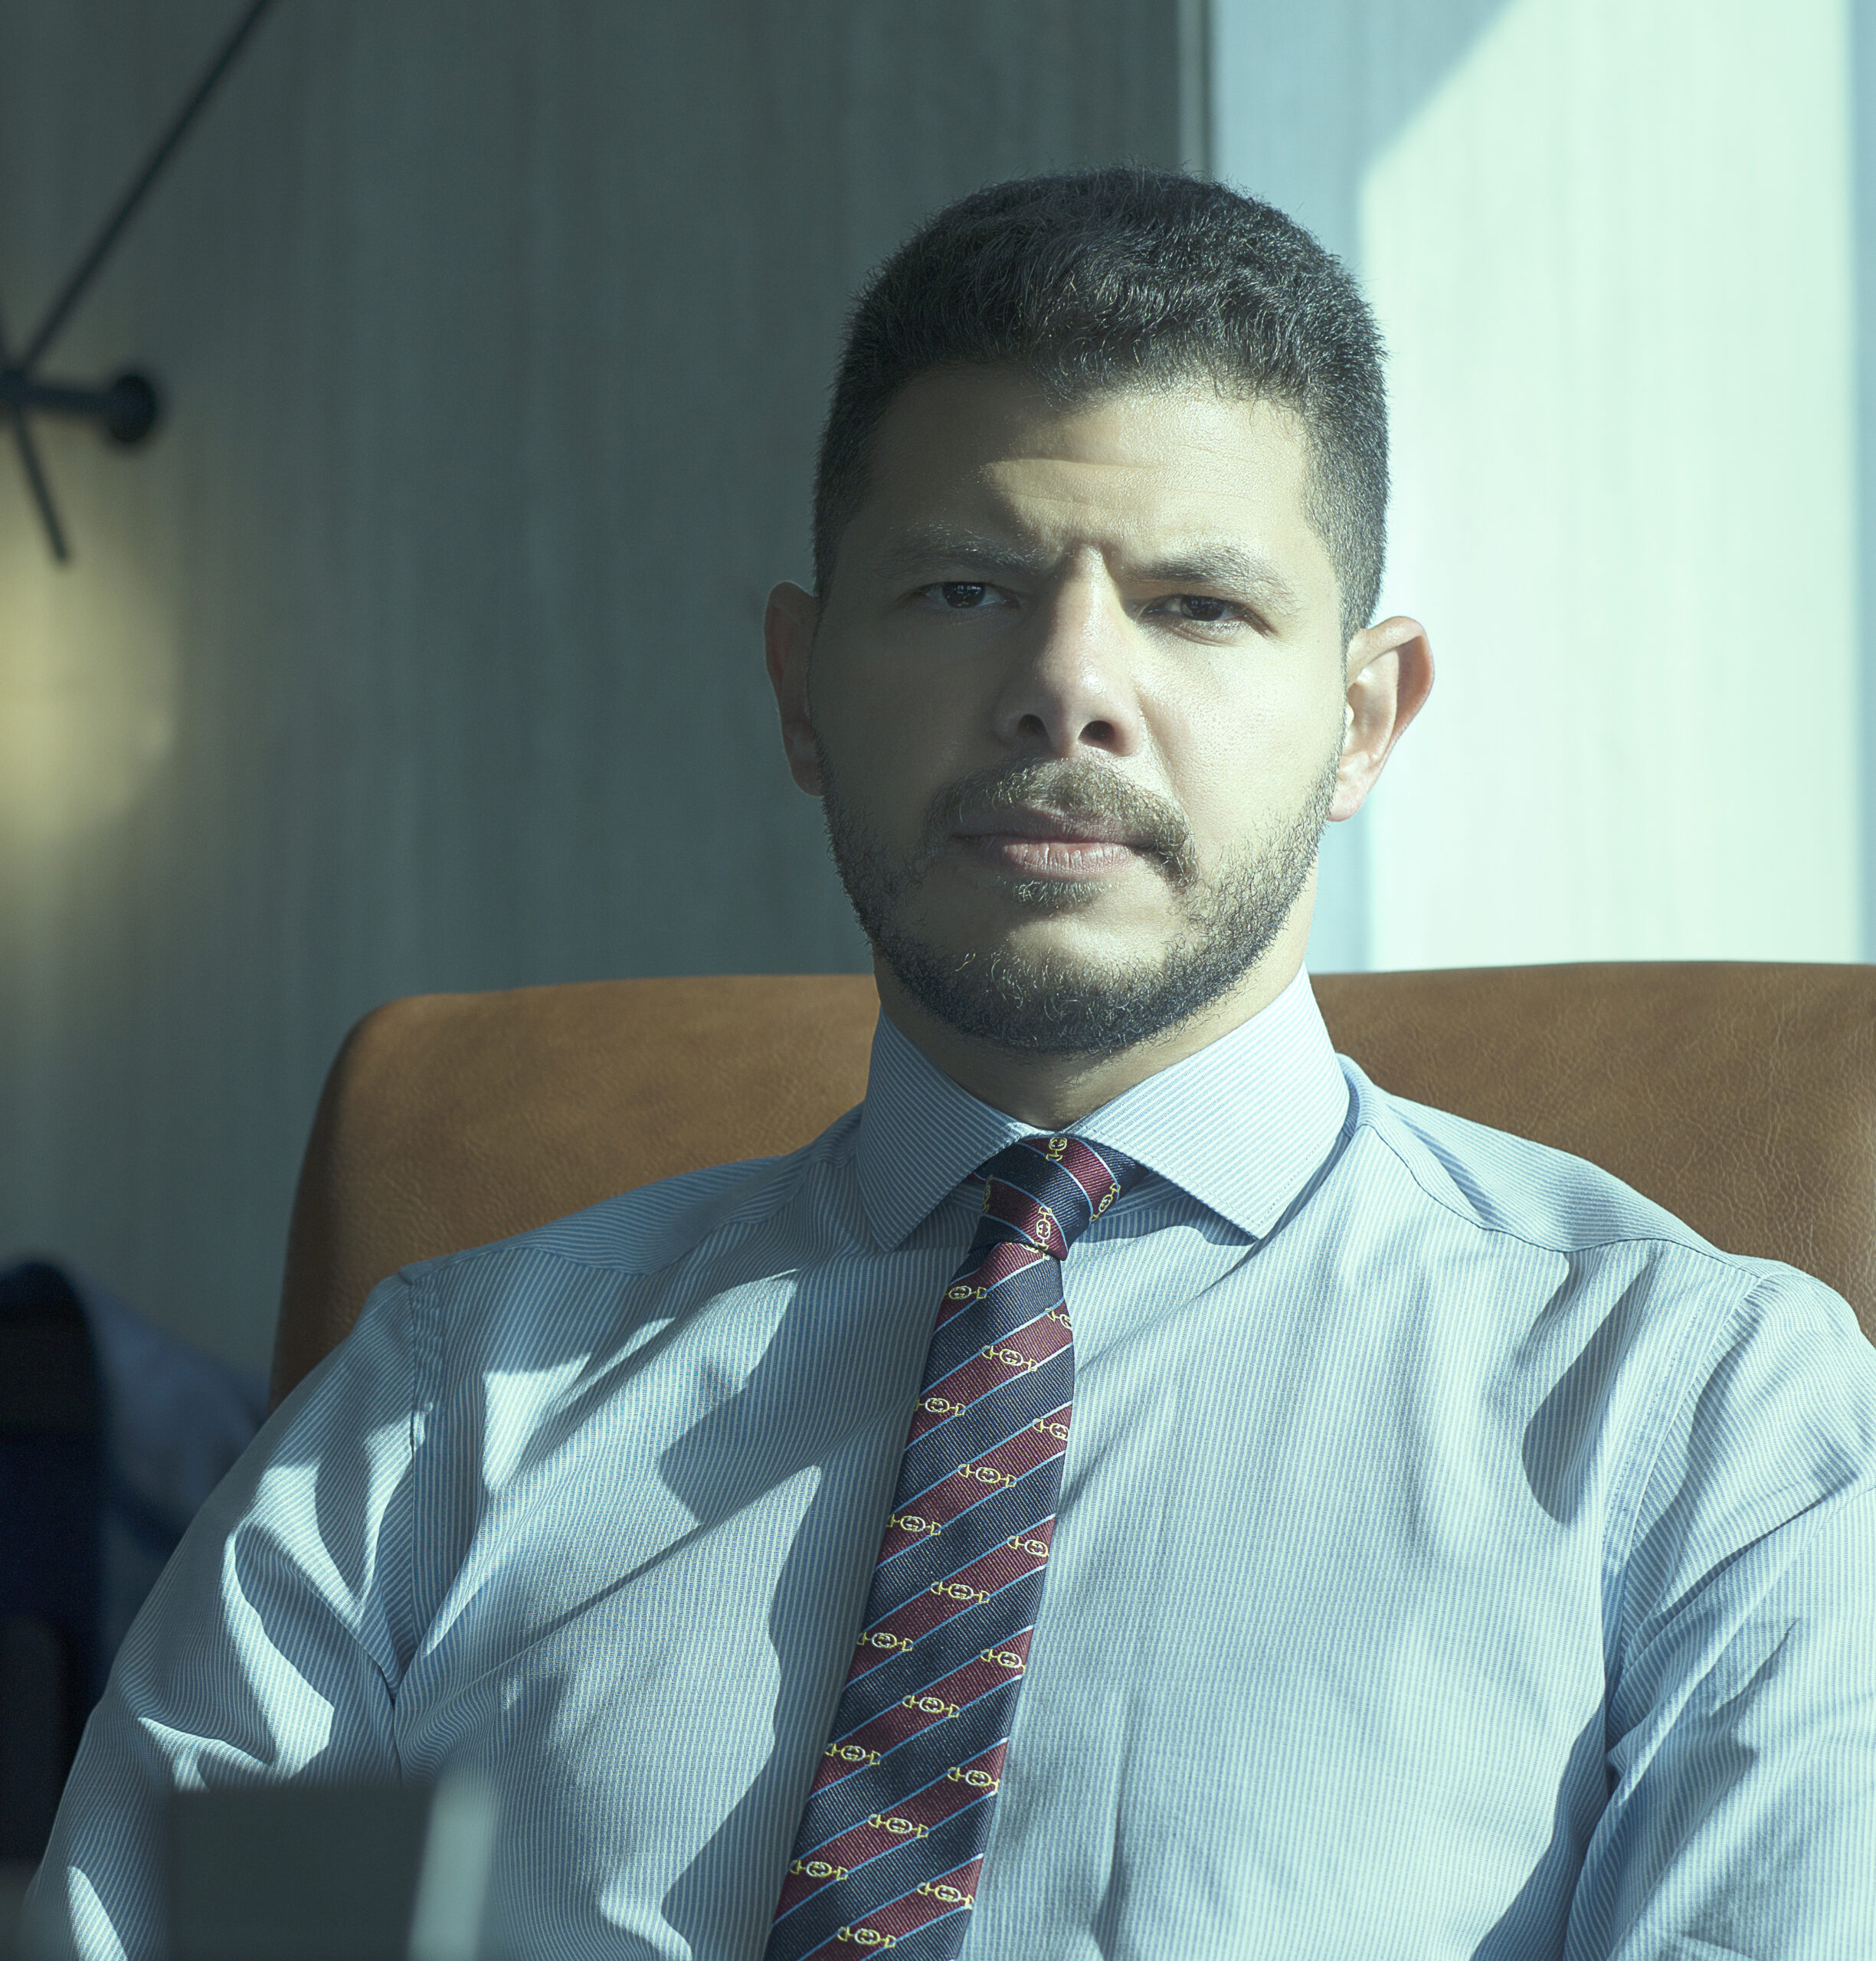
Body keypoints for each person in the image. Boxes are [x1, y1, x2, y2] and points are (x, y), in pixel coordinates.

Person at [25, 166, 1876, 1961]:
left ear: (1362, 718)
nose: (1070, 683)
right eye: (964, 590)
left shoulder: (1703, 1421)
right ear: (801, 687)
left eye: (1197, 604)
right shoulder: (442, 1411)